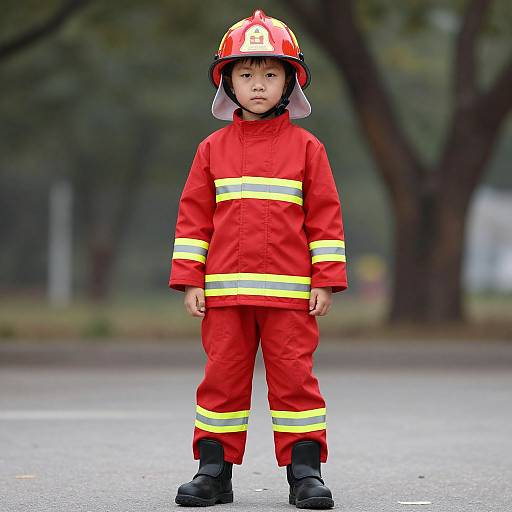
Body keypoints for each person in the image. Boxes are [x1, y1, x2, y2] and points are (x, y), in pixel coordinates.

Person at [168, 9, 347, 509]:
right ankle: (213, 471)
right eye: (246, 74)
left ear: (291, 82)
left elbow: (325, 219)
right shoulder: (211, 149)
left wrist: (326, 279)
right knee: (221, 379)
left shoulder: (309, 149)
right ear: (227, 82)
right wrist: (190, 280)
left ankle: (305, 473)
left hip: (291, 295)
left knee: (295, 382)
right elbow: (193, 219)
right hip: (224, 293)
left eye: (271, 73)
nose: (258, 85)